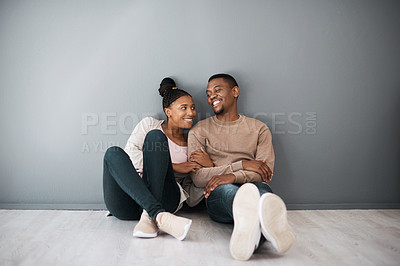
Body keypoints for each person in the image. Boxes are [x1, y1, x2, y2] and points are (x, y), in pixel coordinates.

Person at [188, 74, 295, 260]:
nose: (211, 96)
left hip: (252, 186)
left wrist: (231, 175)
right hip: (219, 194)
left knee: (261, 192)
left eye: (217, 90)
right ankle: (265, 227)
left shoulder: (259, 129)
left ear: (235, 91)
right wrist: (243, 166)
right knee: (227, 190)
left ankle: (253, 233)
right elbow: (198, 177)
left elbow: (264, 173)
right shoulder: (199, 131)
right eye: (208, 94)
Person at [103, 77, 209, 241]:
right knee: (113, 152)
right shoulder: (150, 124)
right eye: (184, 108)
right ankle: (158, 216)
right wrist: (174, 166)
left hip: (165, 198)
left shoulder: (193, 142)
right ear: (168, 111)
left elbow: (192, 191)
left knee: (156, 138)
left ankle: (152, 213)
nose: (191, 113)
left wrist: (209, 167)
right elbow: (130, 154)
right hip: (128, 204)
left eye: (193, 108)